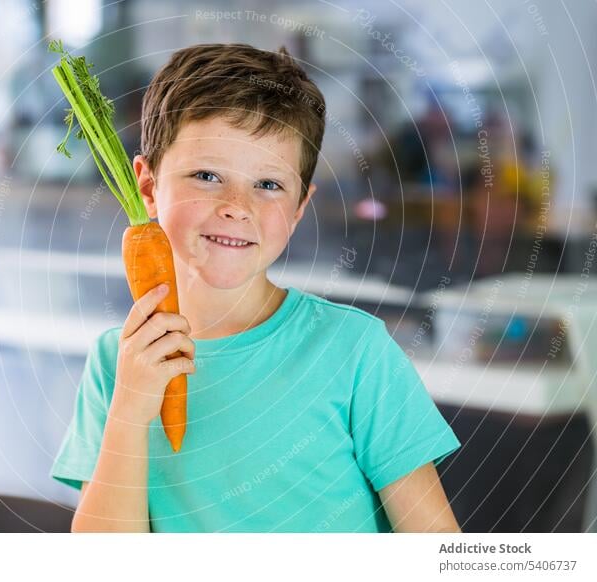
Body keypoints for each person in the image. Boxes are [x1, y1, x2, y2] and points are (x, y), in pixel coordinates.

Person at [50, 43, 461, 533]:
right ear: (147, 186)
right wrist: (131, 411)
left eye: (268, 185)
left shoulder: (355, 353)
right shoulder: (116, 365)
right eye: (207, 175)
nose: (235, 206)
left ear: (298, 207)